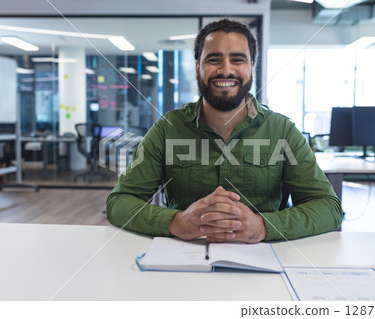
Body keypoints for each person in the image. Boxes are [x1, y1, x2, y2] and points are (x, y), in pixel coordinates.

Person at [107, 19, 343, 243]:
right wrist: (174, 221)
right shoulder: (168, 129)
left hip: (262, 263)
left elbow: (328, 207)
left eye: (238, 60)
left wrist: (264, 226)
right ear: (198, 66)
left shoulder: (282, 130)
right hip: (183, 261)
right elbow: (119, 203)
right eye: (214, 59)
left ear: (251, 66)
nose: (225, 70)